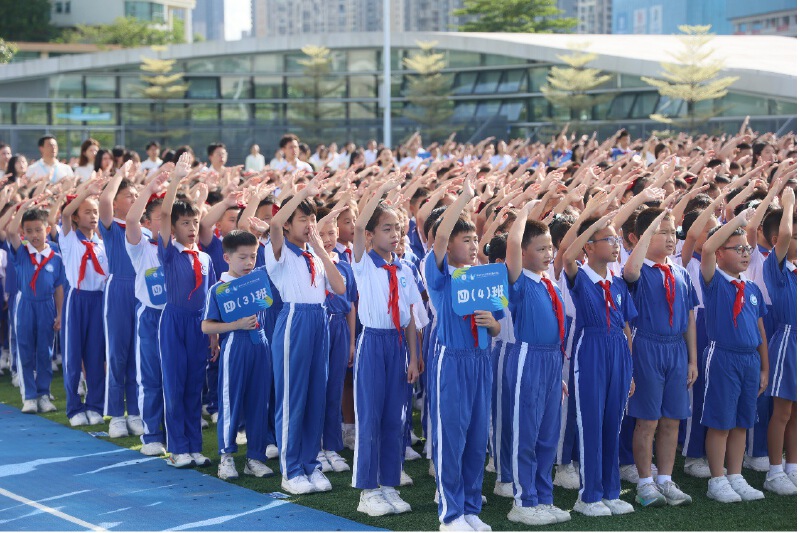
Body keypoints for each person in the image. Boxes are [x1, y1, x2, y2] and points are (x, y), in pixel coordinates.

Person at [426, 171, 501, 532]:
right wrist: (465, 198)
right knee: (451, 437)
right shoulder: (440, 274)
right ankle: (451, 514)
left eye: (476, 240)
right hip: (452, 360)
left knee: (475, 438)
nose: (474, 246)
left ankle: (471, 508)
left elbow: (498, 326)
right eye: (466, 240)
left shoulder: (484, 276)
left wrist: (492, 323)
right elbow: (440, 236)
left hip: (481, 361)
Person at [266, 172, 345, 494]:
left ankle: (311, 464)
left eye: (313, 219)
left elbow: (339, 287)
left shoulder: (315, 253)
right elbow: (274, 223)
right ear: (288, 224)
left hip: (319, 321)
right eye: (303, 219)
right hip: (295, 319)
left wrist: (320, 249)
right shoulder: (279, 251)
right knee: (293, 397)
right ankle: (291, 470)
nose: (310, 225)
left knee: (316, 397)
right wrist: (302, 193)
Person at [351, 179, 422, 516]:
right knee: (371, 418)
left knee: (396, 417)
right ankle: (368, 491)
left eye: (397, 228)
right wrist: (379, 193)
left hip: (397, 346)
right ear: (370, 235)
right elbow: (358, 225)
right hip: (373, 343)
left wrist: (414, 357)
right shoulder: (363, 263)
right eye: (386, 228)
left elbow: (409, 317)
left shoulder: (404, 268)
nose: (394, 234)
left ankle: (389, 484)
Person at [562, 211, 637, 517]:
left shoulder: (618, 283)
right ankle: (588, 495)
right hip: (591, 350)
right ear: (589, 246)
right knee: (590, 424)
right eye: (608, 239)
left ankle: (610, 491)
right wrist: (592, 224)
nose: (616, 244)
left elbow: (626, 328)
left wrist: (630, 370)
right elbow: (567, 257)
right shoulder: (580, 277)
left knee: (612, 425)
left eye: (616, 239)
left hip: (618, 352)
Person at [623, 208, 697, 507]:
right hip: (647, 347)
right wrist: (650, 225)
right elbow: (629, 272)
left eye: (672, 232)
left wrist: (692, 360)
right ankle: (645, 483)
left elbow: (689, 318)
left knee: (672, 420)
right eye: (661, 232)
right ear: (642, 237)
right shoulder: (638, 271)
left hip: (676, 349)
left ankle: (665, 479)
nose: (670, 238)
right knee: (647, 421)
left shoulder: (681, 272)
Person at [504, 204, 571, 525]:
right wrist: (525, 212)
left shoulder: (550, 283)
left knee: (548, 436)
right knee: (526, 435)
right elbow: (512, 244)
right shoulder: (519, 281)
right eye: (541, 248)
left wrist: (557, 374)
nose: (548, 254)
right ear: (524, 252)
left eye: (550, 247)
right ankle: (523, 501)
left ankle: (544, 497)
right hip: (527, 359)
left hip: (551, 363)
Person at [699, 207, 769, 503]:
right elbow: (707, 248)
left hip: (749, 360)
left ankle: (735, 475)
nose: (745, 253)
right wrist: (738, 221)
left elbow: (759, 330)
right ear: (721, 253)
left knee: (742, 421)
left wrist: (765, 367)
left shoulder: (751, 287)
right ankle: (717, 479)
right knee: (721, 421)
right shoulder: (714, 281)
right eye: (737, 248)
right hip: (723, 357)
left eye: (747, 249)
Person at [158, 153, 217, 468]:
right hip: (174, 322)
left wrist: (213, 333)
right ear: (173, 228)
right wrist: (177, 180)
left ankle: (194, 446)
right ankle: (177, 448)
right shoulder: (169, 253)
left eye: (195, 222)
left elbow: (210, 297)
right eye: (185, 223)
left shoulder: (204, 258)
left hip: (199, 325)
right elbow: (165, 211)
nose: (192, 228)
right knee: (175, 385)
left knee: (195, 386)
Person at [202, 230, 274, 480]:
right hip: (235, 345)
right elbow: (206, 326)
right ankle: (226, 457)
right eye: (242, 257)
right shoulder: (219, 289)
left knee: (260, 402)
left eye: (253, 256)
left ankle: (255, 457)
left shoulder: (258, 280)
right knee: (230, 401)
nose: (249, 262)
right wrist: (235, 325)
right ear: (227, 257)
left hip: (261, 344)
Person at [125, 170, 169, 456]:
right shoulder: (141, 246)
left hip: (176, 319)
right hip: (150, 317)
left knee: (176, 379)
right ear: (147, 223)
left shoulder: (181, 248)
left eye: (169, 218)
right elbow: (130, 220)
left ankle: (177, 434)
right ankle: (152, 435)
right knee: (151, 378)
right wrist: (150, 188)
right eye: (159, 218)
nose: (165, 223)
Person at [4, 205, 64, 414]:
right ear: (24, 233)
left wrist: (60, 313)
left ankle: (44, 394)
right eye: (29, 231)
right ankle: (29, 396)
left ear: (47, 230)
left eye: (38, 230)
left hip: (46, 306)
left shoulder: (55, 257)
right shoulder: (21, 252)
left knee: (45, 352)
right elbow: (11, 231)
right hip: (26, 305)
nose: (34, 235)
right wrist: (21, 208)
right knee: (25, 351)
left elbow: (59, 288)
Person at [99, 161, 143, 439]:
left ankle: (135, 412)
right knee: (118, 354)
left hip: (140, 292)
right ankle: (116, 415)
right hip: (118, 290)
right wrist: (120, 174)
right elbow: (104, 200)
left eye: (137, 195)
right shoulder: (111, 226)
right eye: (129, 195)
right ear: (116, 202)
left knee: (138, 355)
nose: (135, 198)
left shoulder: (142, 231)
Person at [59, 176, 108, 427]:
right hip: (76, 299)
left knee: (95, 356)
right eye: (87, 212)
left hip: (99, 300)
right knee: (73, 355)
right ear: (77, 217)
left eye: (95, 212)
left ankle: (95, 405)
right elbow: (65, 213)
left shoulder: (102, 245)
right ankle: (74, 407)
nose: (93, 216)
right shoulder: (69, 239)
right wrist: (86, 193)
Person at [315, 205, 357, 475]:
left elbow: (351, 305)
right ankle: (316, 446)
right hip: (319, 325)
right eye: (322, 234)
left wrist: (351, 342)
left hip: (340, 328)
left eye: (331, 232)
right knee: (317, 388)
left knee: (334, 389)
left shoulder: (344, 265)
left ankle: (332, 445)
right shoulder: (312, 263)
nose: (328, 238)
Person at [761, 188, 797, 495]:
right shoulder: (777, 268)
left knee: (796, 412)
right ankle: (774, 471)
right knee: (782, 411)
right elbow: (785, 233)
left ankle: (792, 466)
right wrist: (788, 203)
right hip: (788, 341)